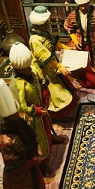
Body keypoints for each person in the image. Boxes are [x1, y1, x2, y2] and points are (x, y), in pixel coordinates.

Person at [0, 79, 50, 189]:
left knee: (40, 187)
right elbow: (12, 164)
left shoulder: (20, 123)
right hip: (20, 176)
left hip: (31, 164)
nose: (17, 116)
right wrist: (33, 161)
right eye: (13, 116)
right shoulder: (4, 140)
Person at [8, 42, 59, 175]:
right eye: (25, 68)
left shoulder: (32, 71)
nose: (29, 70)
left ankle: (51, 138)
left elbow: (41, 81)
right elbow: (21, 106)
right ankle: (44, 164)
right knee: (39, 141)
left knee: (47, 129)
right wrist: (36, 111)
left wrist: (45, 94)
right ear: (18, 69)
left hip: (42, 110)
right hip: (33, 119)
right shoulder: (17, 85)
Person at [28, 5, 78, 123]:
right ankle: (56, 117)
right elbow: (44, 57)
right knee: (56, 94)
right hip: (45, 71)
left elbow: (54, 43)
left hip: (52, 66)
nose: (47, 24)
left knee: (66, 87)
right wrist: (59, 67)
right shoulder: (35, 40)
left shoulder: (44, 32)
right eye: (44, 23)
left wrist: (67, 48)